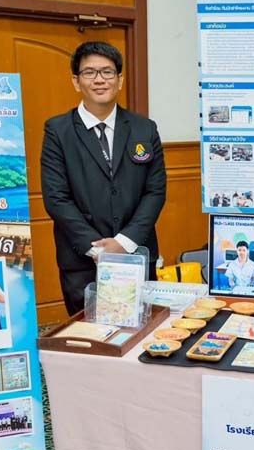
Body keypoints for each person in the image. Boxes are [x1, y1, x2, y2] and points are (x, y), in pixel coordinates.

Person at [41, 41, 167, 315]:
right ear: (76, 81)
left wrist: (124, 242)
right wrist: (99, 249)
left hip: (136, 253)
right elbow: (56, 198)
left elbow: (155, 191)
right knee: (87, 333)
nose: (99, 80)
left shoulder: (144, 129)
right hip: (83, 260)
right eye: (89, 72)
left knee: (140, 329)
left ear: (119, 80)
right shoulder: (58, 131)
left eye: (107, 72)